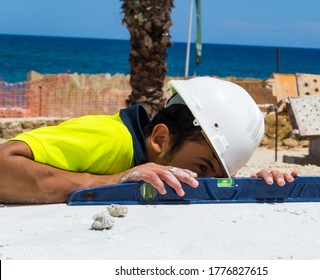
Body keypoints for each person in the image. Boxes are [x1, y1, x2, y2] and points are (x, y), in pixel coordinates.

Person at [0, 77, 297, 204]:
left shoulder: (154, 160)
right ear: (160, 138)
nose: (200, 181)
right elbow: (3, 165)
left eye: (215, 176)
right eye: (202, 167)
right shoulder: (112, 138)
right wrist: (119, 179)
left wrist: (260, 187)